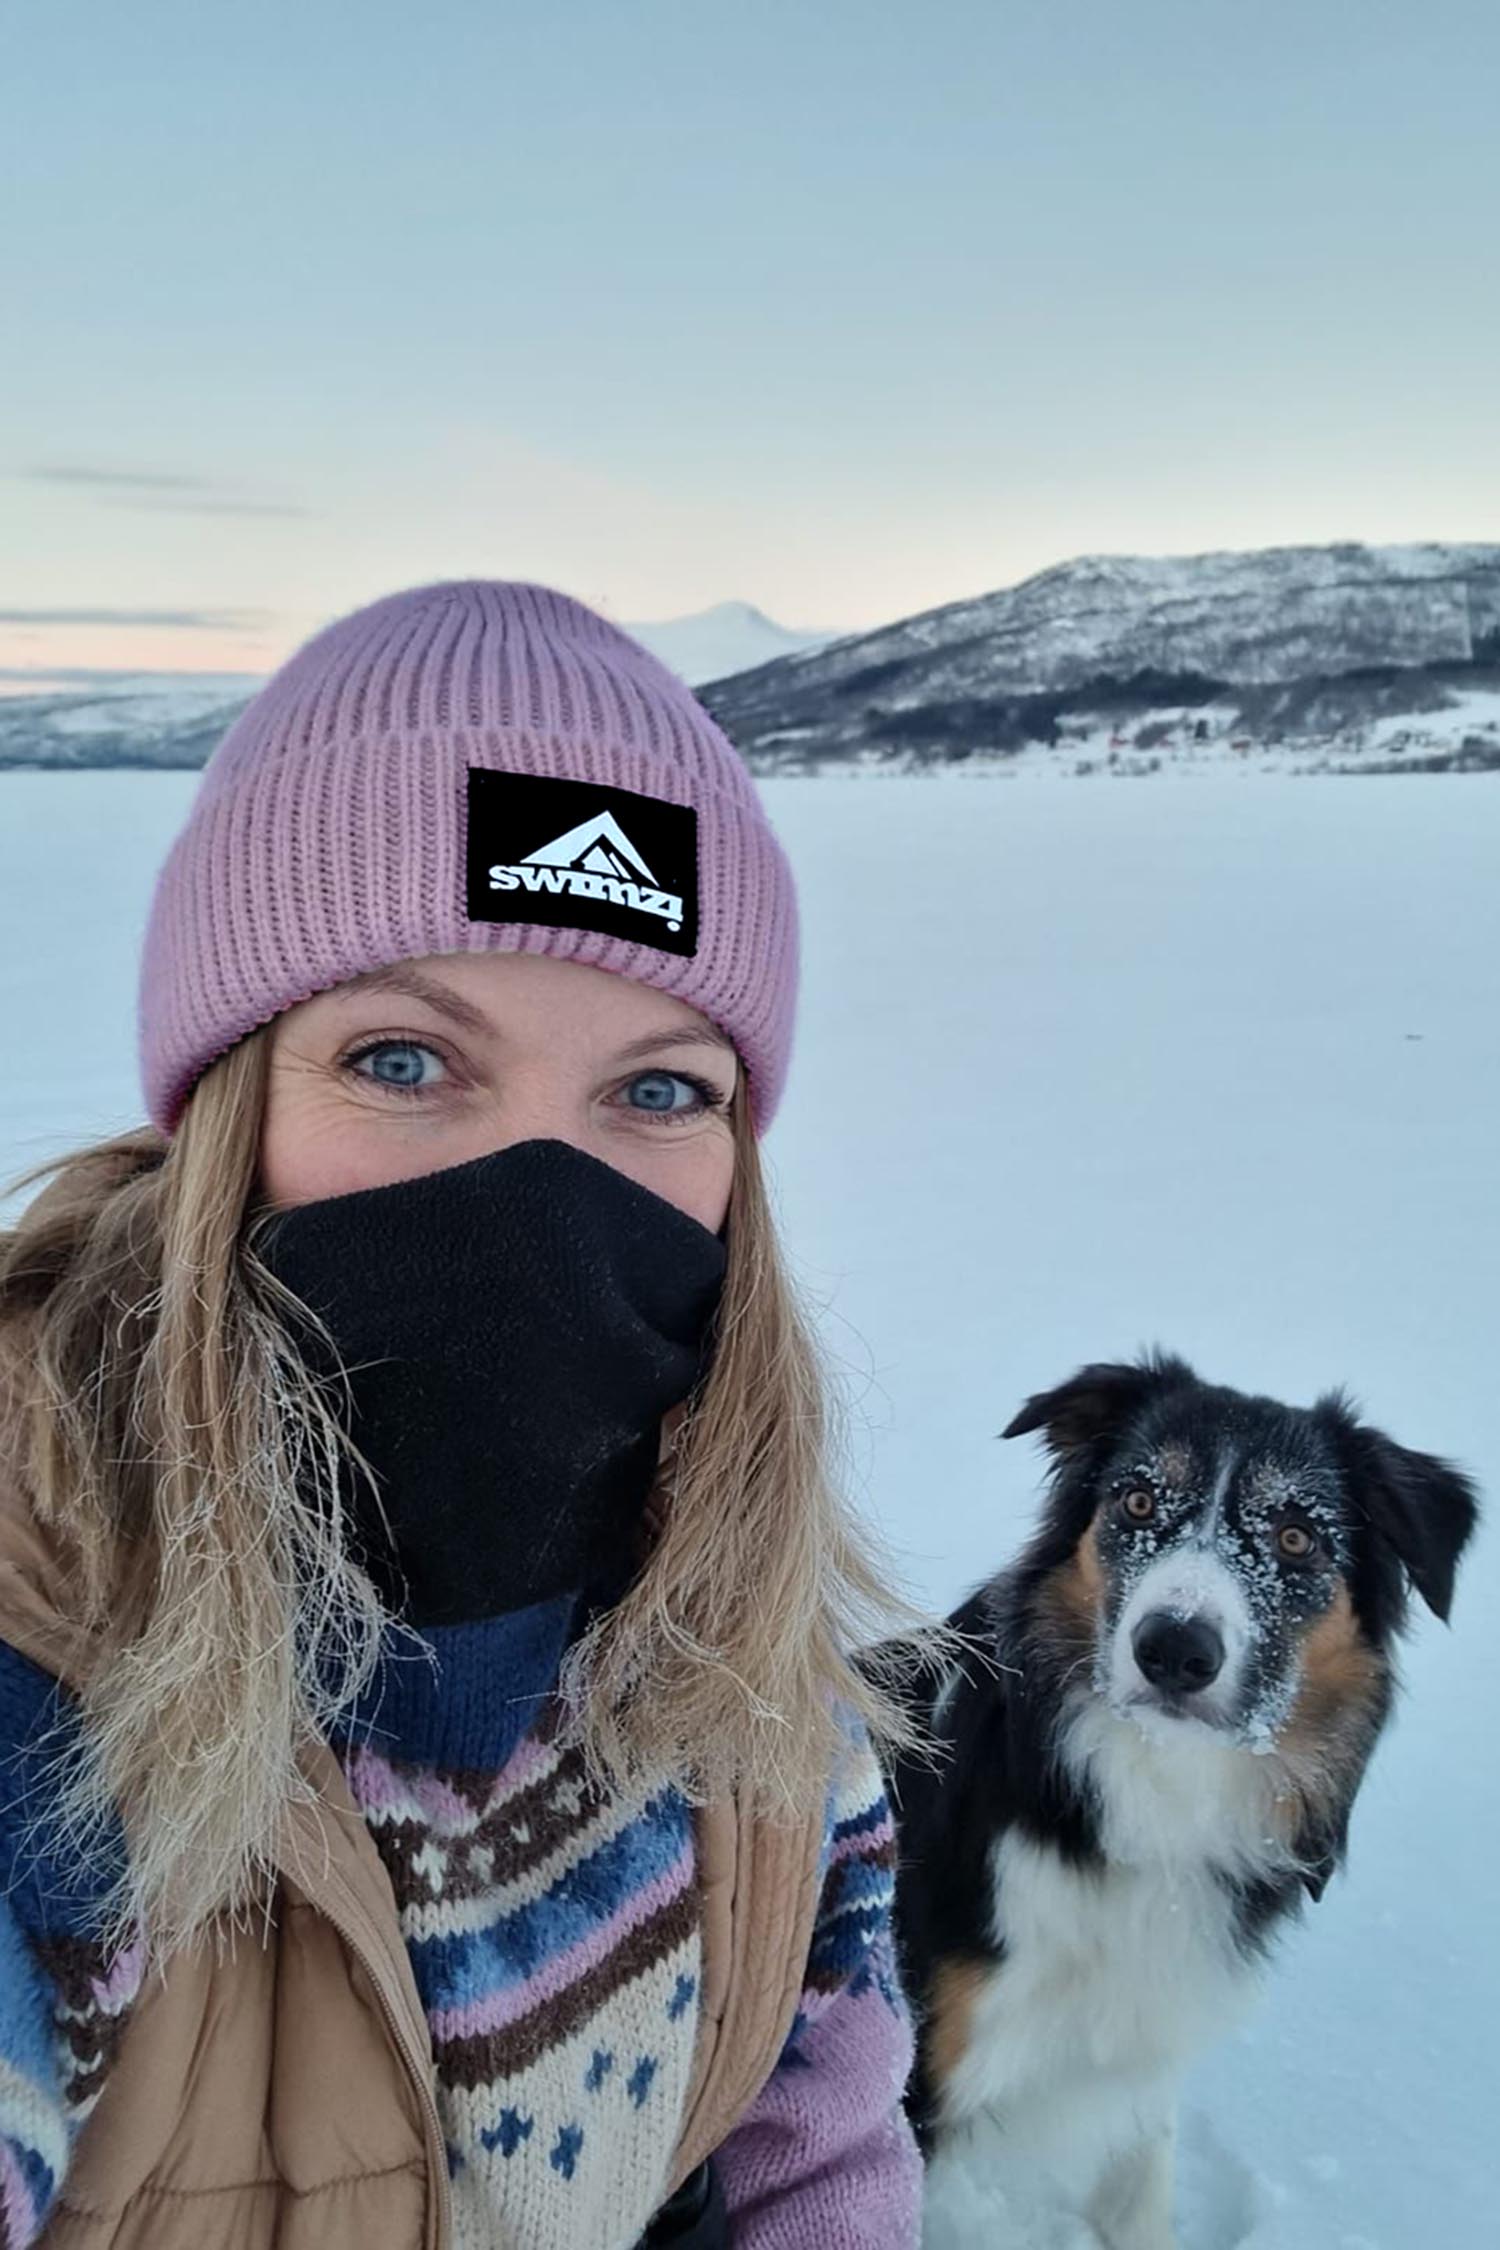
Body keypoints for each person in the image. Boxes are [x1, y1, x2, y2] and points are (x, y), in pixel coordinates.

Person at [0, 581, 941, 2250]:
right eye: (405, 1060)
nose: (538, 1201)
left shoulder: (749, 1667)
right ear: (231, 1107)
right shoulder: (48, 1673)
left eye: (659, 1089)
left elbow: (819, 2150)